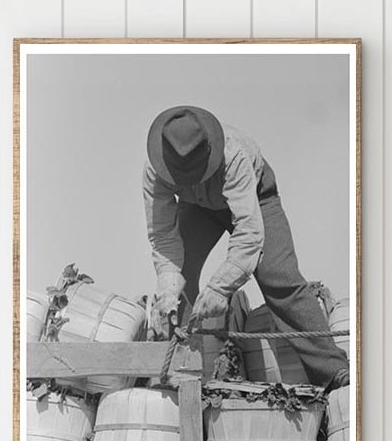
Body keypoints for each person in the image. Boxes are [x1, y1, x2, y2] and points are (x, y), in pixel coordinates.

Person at [143, 105, 350, 390]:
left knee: (279, 277)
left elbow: (248, 233)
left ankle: (333, 371)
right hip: (199, 206)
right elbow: (164, 235)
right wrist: (167, 283)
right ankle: (180, 375)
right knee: (179, 282)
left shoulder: (235, 154)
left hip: (256, 199)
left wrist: (220, 288)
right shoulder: (156, 169)